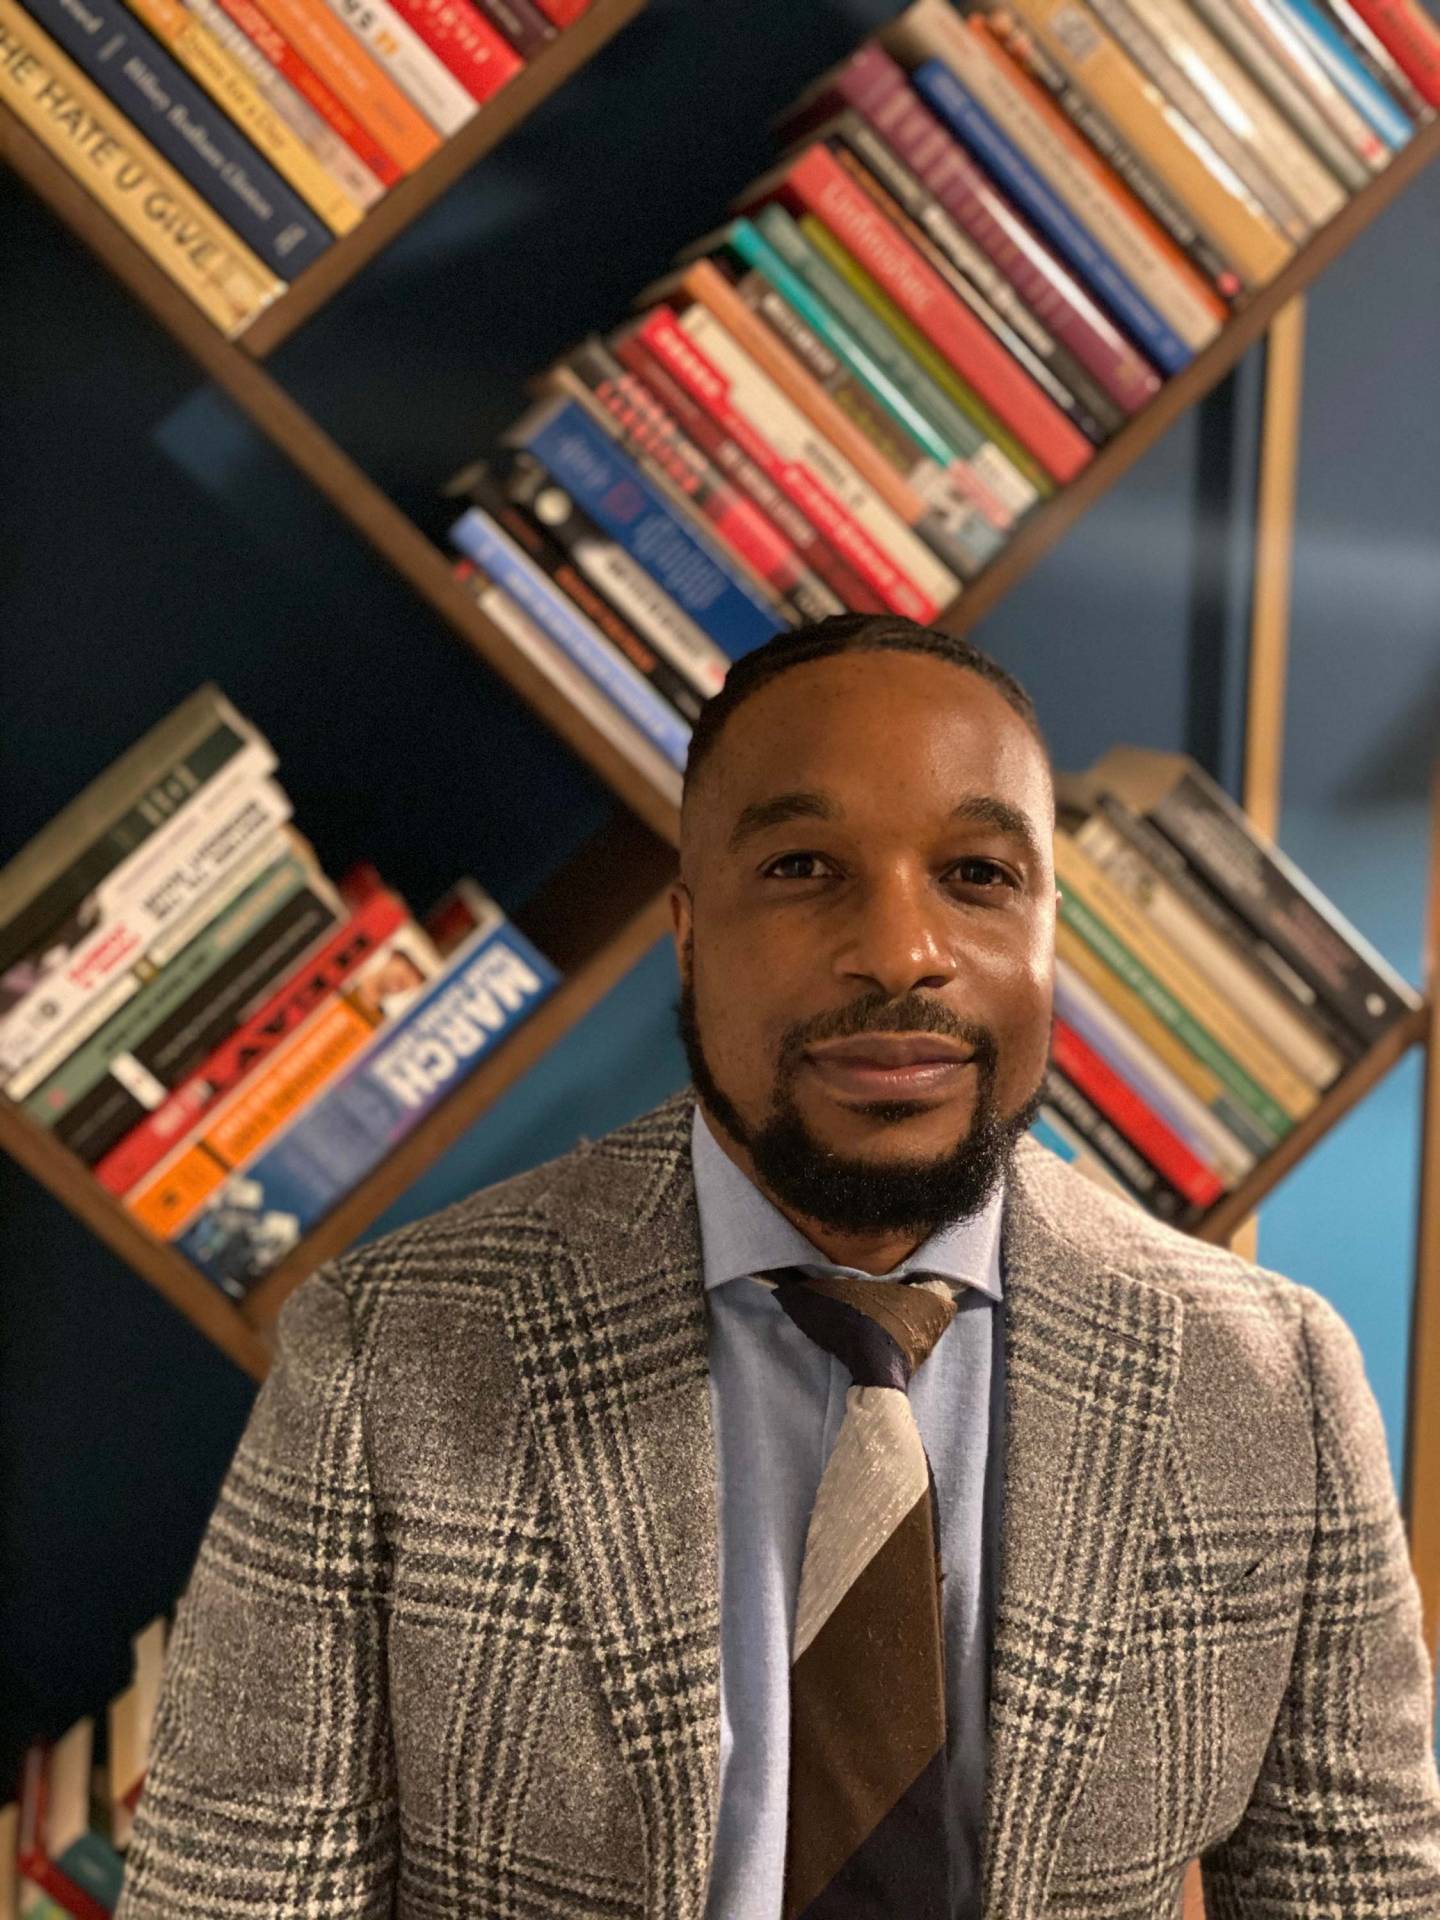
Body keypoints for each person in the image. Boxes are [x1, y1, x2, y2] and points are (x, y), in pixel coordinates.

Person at [114, 614, 1440, 1920]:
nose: (901, 951)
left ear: (1050, 928)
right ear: (689, 934)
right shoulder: (382, 1356)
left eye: (978, 876)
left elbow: (1362, 1897)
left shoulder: (1274, 1379)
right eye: (806, 867)